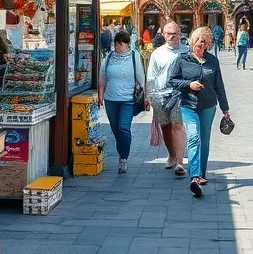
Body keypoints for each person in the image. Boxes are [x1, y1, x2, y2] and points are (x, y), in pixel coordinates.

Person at [167, 26, 230, 197]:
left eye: (204, 43)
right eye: (198, 42)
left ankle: (202, 173)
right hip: (188, 105)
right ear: (192, 42)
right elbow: (172, 81)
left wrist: (225, 108)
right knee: (194, 138)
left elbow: (219, 85)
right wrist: (189, 85)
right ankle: (194, 177)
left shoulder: (213, 61)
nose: (200, 46)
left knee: (205, 140)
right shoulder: (182, 59)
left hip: (208, 106)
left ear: (208, 44)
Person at [97, 30, 146, 173]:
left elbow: (140, 76)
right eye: (116, 44)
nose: (118, 47)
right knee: (115, 129)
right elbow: (102, 77)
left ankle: (123, 158)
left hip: (127, 99)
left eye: (121, 44)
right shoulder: (109, 57)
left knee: (123, 128)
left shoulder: (133, 56)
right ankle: (122, 151)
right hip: (110, 99)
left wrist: (143, 93)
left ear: (127, 44)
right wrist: (100, 95)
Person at [145, 21, 187, 176]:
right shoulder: (157, 53)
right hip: (160, 95)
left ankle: (180, 162)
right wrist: (148, 95)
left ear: (179, 33)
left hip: (178, 95)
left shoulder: (186, 51)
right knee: (165, 126)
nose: (172, 36)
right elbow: (151, 76)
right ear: (163, 35)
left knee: (177, 125)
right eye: (168, 33)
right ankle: (172, 155)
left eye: (175, 33)